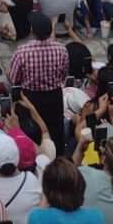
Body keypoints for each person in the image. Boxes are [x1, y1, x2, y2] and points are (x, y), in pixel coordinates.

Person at [9, 14, 68, 147]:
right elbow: (63, 75)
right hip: (54, 97)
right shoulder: (61, 49)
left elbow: (14, 79)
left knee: (31, 132)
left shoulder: (22, 51)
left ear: (33, 31)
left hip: (30, 97)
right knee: (55, 131)